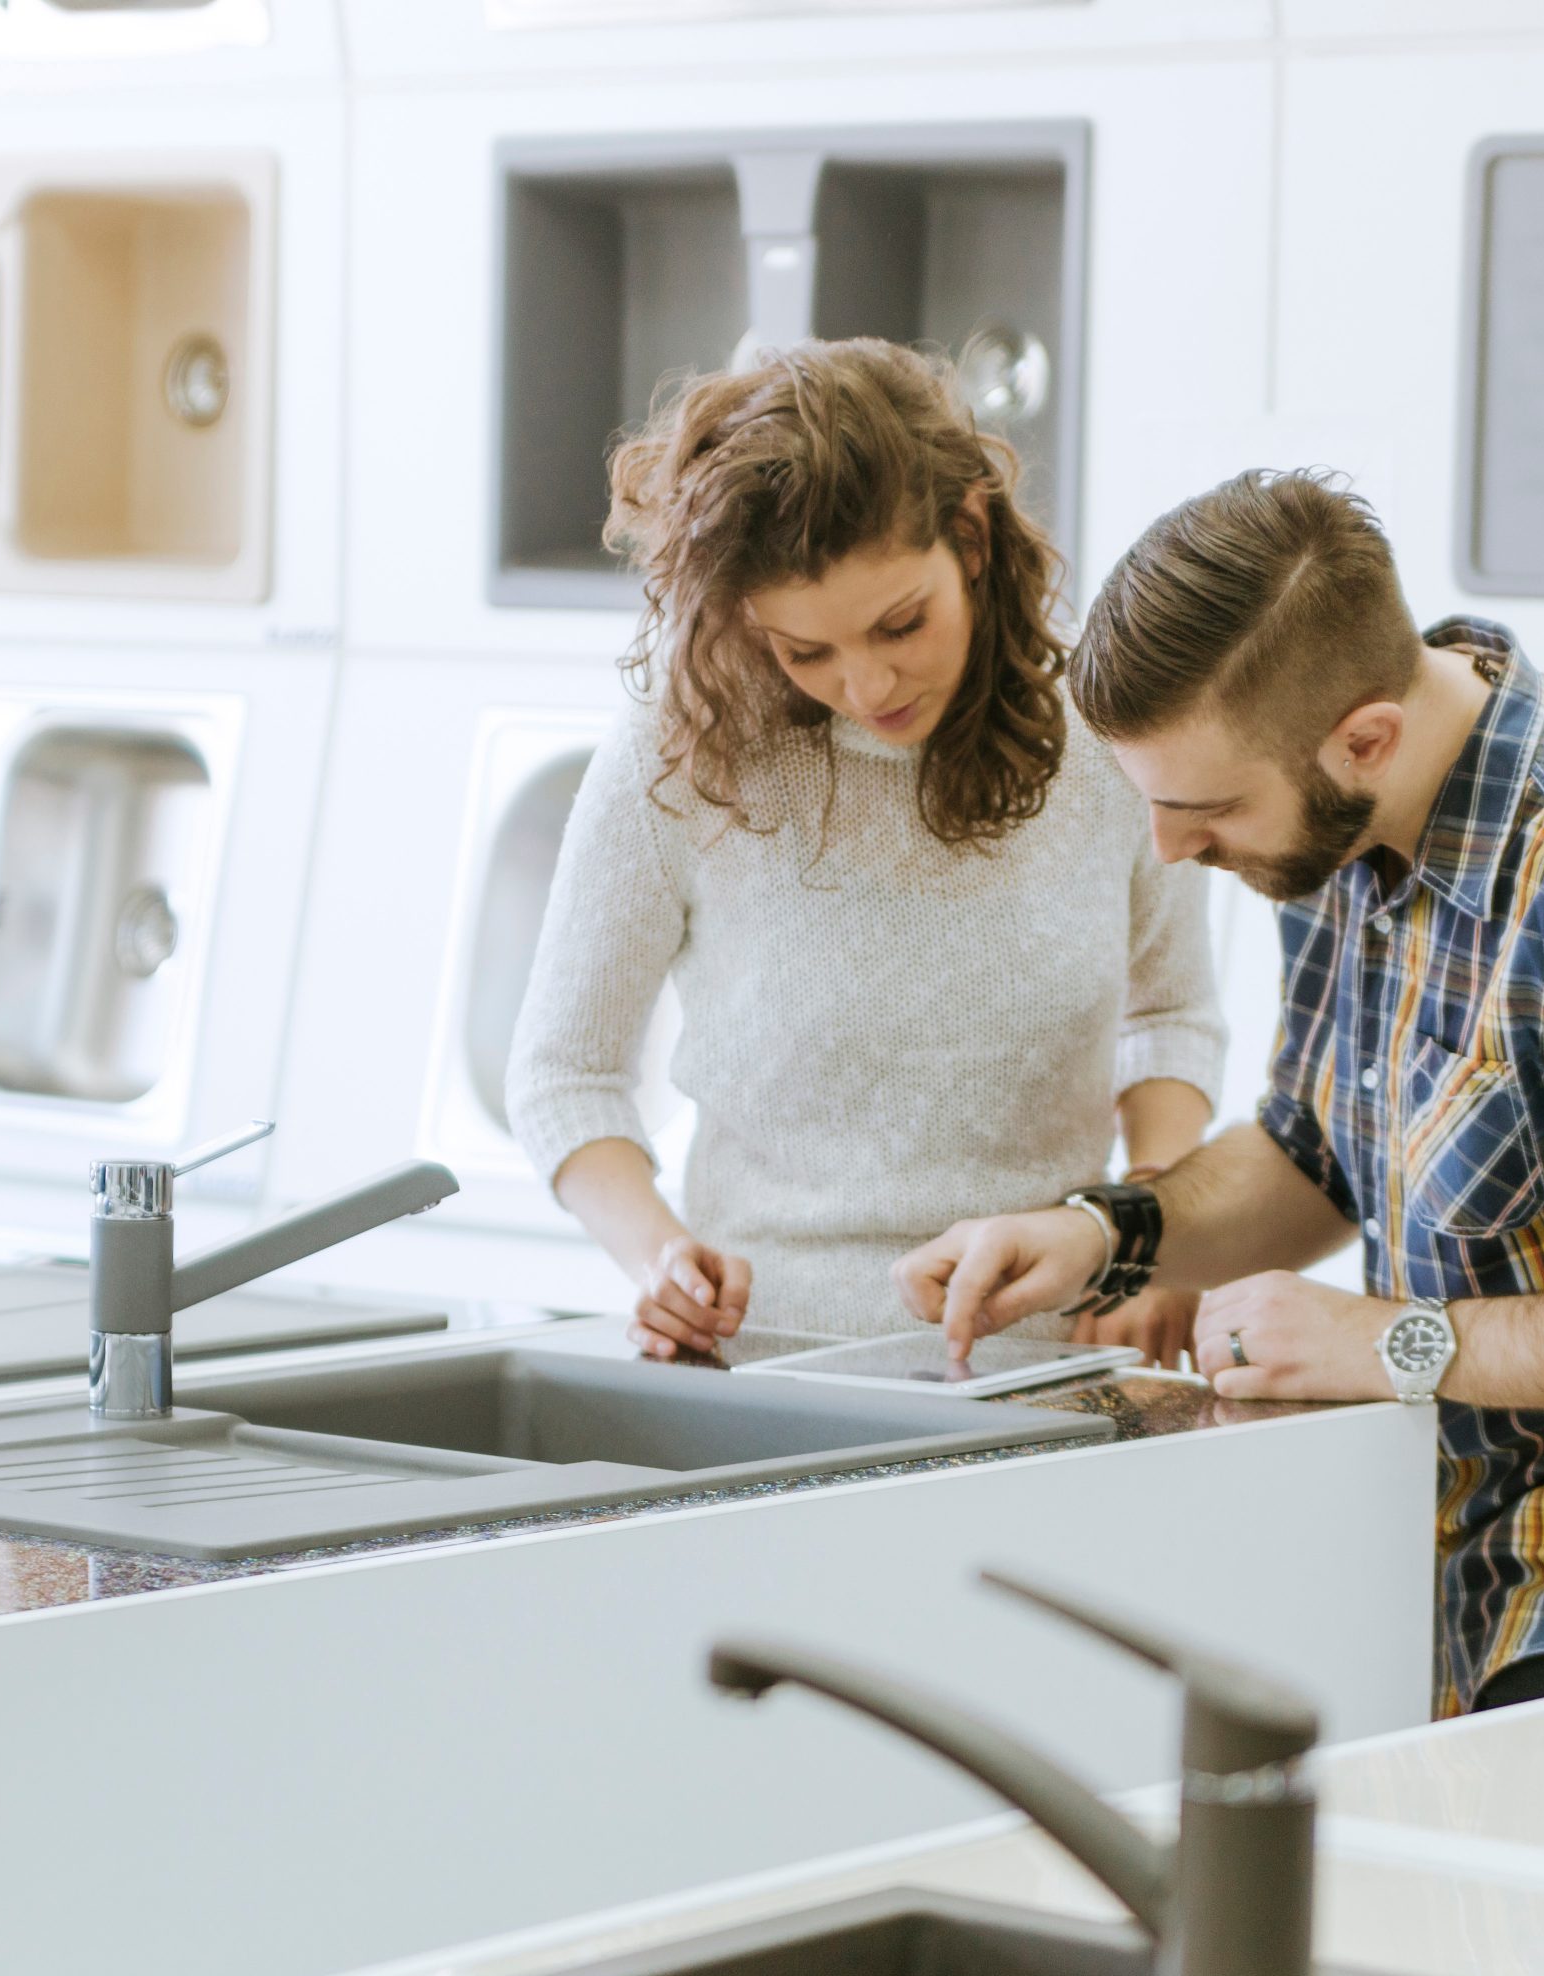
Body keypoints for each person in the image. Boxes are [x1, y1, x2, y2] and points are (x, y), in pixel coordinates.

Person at [894, 469, 1544, 1715]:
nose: (1169, 851)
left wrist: (1387, 1342)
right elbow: (1322, 1150)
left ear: (1365, 736)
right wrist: (1105, 1234)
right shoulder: (1342, 832)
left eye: (1203, 809)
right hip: (1456, 1566)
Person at [505, 339, 1223, 1359]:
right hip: (765, 1375)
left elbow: (1172, 1015)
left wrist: (1150, 1222)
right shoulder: (680, 756)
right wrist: (659, 1256)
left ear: (971, 538)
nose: (870, 685)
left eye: (901, 624)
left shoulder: (1103, 741)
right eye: (808, 651)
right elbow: (562, 1075)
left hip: (1049, 1374)